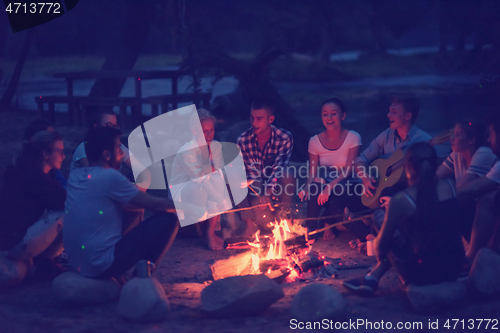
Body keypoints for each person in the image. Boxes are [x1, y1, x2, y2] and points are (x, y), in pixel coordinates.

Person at [63, 127, 202, 279]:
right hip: (100, 265)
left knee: (134, 210)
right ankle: (141, 277)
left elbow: (133, 205)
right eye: (118, 148)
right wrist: (190, 208)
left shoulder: (75, 176)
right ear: (107, 155)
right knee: (168, 220)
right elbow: (154, 205)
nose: (122, 154)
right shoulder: (109, 177)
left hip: (78, 263)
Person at [342, 142, 465, 295]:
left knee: (379, 218)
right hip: (455, 268)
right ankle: (372, 277)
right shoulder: (451, 186)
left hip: (422, 273)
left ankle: (373, 276)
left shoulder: (402, 199)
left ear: (408, 168)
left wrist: (393, 217)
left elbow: (381, 247)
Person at [0, 131, 66, 281]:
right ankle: (46, 261)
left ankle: (34, 265)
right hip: (12, 241)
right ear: (45, 154)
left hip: (8, 238)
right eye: (60, 151)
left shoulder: (24, 169)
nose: (64, 156)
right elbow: (67, 200)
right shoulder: (35, 177)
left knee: (19, 272)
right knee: (68, 212)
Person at [298, 98, 364, 240]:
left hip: (350, 187)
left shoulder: (353, 137)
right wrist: (306, 187)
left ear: (343, 116)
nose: (329, 118)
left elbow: (348, 170)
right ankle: (311, 231)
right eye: (325, 114)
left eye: (333, 113)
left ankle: (327, 221)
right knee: (315, 186)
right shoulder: (315, 141)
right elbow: (312, 171)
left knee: (334, 190)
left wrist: (329, 186)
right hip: (328, 189)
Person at [170, 109, 231, 250]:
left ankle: (209, 232)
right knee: (200, 187)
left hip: (205, 187)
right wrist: (219, 198)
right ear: (194, 130)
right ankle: (205, 232)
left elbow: (218, 173)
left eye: (212, 130)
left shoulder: (215, 146)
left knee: (216, 181)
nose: (209, 135)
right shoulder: (186, 151)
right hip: (184, 193)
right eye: (204, 131)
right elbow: (199, 179)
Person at [236, 98, 294, 235]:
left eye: (259, 119)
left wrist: (267, 193)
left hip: (275, 188)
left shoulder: (285, 138)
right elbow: (250, 175)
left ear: (271, 119)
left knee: (287, 173)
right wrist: (260, 196)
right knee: (232, 176)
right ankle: (249, 223)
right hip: (255, 189)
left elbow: (279, 168)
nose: (254, 123)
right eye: (252, 118)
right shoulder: (243, 140)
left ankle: (283, 216)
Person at [355, 96, 432, 198]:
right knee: (342, 197)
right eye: (389, 111)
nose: (388, 115)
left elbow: (426, 181)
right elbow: (362, 158)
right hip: (378, 190)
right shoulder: (387, 135)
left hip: (407, 195)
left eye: (394, 112)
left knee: (387, 192)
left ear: (408, 116)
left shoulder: (424, 141)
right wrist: (365, 177)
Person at [436, 121, 496, 243]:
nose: (452, 138)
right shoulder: (456, 154)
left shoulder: (483, 153)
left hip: (481, 214)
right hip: (468, 209)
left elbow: (464, 188)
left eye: (457, 135)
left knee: (451, 206)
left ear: (471, 140)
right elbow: (434, 178)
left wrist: (428, 199)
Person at [458, 113, 500, 264]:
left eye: (492, 135)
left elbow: (473, 187)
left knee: (487, 198)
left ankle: (471, 259)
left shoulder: (484, 154)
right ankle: (488, 253)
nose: (488, 140)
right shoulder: (456, 155)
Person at [22, 118, 67, 188]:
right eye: (49, 135)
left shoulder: (51, 168)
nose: (64, 156)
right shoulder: (29, 178)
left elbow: (64, 183)